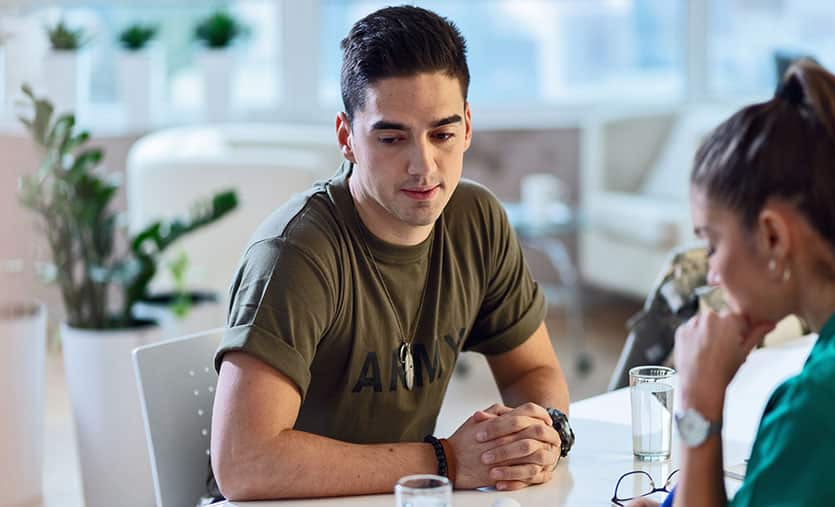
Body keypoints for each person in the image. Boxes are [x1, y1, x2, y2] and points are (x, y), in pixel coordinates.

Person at [208, 5, 572, 501]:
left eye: (442, 134)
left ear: (467, 127)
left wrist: (544, 431)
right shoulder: (296, 253)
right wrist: (446, 460)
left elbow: (532, 371)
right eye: (392, 137)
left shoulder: (476, 219)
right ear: (347, 138)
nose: (424, 166)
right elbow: (243, 463)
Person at [631, 60, 835, 506]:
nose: (712, 273)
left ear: (774, 236)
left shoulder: (819, 406)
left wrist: (699, 406)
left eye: (713, 243)